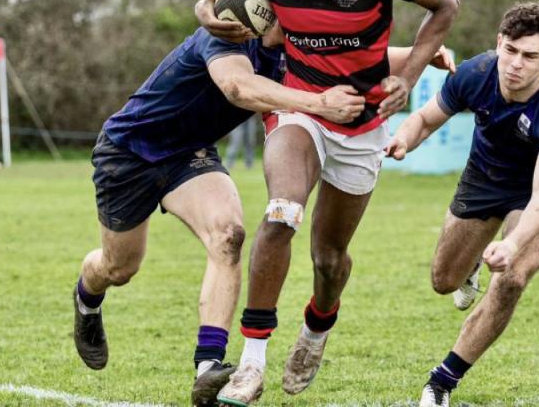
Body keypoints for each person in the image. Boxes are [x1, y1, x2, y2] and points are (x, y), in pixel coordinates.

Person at [194, 0, 459, 406]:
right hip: (301, 111)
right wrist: (207, 13)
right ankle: (251, 364)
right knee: (281, 212)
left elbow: (446, 4)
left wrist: (406, 80)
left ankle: (316, 331)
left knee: (330, 259)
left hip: (361, 126)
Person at [72, 24, 367, 407]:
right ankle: (87, 298)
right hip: (128, 154)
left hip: (189, 155)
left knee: (229, 236)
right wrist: (319, 103)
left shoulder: (295, 50)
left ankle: (207, 367)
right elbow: (238, 88)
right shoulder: (225, 35)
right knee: (118, 268)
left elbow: (360, 53)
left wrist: (423, 52)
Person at [386, 1, 539, 407]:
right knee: (444, 282)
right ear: (498, 43)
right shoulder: (476, 72)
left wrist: (512, 246)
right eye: (510, 50)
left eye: (529, 56)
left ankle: (442, 381)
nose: (515, 64)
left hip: (533, 192)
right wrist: (404, 139)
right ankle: (471, 262)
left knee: (511, 278)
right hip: (483, 179)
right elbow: (423, 118)